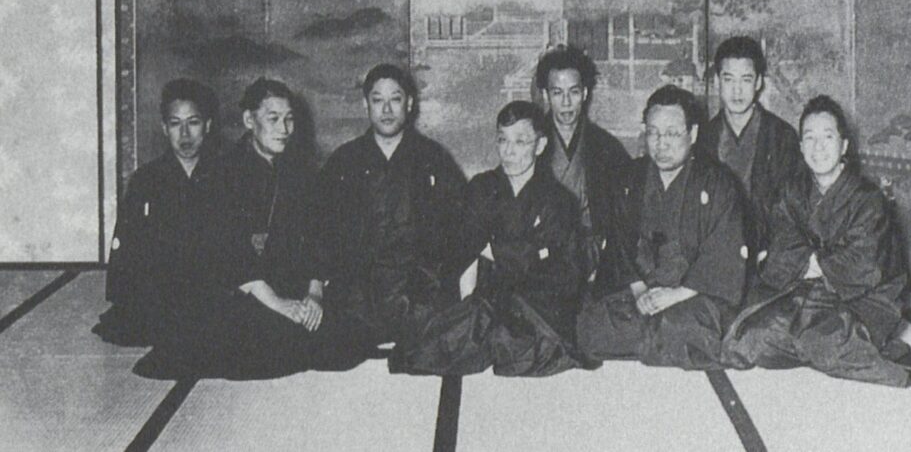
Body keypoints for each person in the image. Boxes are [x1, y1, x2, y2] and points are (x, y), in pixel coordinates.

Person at [721, 95, 911, 387]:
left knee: (818, 340)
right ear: (800, 147)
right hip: (802, 292)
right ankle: (836, 345)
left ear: (844, 145)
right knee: (747, 340)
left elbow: (865, 264)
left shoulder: (868, 200)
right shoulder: (792, 192)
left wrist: (812, 262)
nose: (818, 147)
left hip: (862, 299)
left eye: (827, 136)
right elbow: (779, 248)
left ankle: (883, 363)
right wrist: (812, 264)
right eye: (809, 138)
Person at [134, 78, 322, 379]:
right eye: (273, 119)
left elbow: (316, 241)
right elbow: (231, 256)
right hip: (242, 292)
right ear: (249, 120)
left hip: (291, 288)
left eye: (289, 119)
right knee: (261, 340)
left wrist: (314, 297)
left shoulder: (301, 173)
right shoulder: (221, 174)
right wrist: (279, 305)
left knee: (341, 333)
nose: (284, 129)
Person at [389, 101, 583, 377]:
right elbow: (464, 252)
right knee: (429, 344)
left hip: (534, 302)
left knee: (523, 343)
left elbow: (564, 272)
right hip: (487, 300)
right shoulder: (482, 188)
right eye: (503, 140)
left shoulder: (558, 200)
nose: (509, 151)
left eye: (520, 141)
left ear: (539, 146)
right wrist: (469, 297)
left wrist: (497, 251)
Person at [576, 85, 747, 369]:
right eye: (653, 132)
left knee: (681, 326)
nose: (661, 143)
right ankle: (658, 342)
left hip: (693, 295)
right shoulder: (630, 177)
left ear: (692, 134)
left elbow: (724, 255)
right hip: (642, 292)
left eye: (671, 133)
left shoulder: (718, 183)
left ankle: (654, 341)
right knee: (588, 326)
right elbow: (618, 245)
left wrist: (675, 295)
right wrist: (641, 291)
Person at [309, 63, 466, 367]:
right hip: (359, 292)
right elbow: (320, 230)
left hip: (417, 289)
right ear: (365, 104)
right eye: (378, 100)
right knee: (326, 355)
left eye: (395, 99)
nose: (387, 109)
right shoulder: (345, 161)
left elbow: (457, 231)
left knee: (432, 355)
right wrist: (316, 289)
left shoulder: (434, 159)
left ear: (409, 103)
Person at [94, 78, 219, 346]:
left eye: (193, 123)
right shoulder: (147, 179)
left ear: (208, 125)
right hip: (160, 293)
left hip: (210, 289)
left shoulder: (226, 175)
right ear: (164, 128)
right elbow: (126, 248)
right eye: (175, 124)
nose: (185, 134)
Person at [695, 37, 802, 274]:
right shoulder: (703, 139)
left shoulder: (782, 137)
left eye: (746, 80)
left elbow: (794, 210)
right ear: (716, 82)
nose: (736, 90)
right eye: (728, 79)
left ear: (759, 83)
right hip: (713, 260)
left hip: (769, 258)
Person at [534, 46, 633, 291]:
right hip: (541, 254)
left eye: (574, 92)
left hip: (596, 258)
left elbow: (624, 216)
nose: (566, 103)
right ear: (546, 95)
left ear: (585, 93)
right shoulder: (528, 144)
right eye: (557, 93)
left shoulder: (607, 148)